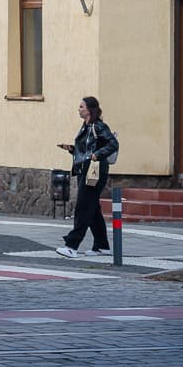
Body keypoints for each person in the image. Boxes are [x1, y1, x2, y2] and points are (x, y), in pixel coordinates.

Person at [55, 96, 119, 258]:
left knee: (83, 208)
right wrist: (71, 149)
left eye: (82, 106)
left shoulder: (98, 126)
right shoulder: (86, 126)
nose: (79, 109)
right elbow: (85, 149)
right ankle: (102, 245)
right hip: (86, 171)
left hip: (95, 173)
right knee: (93, 209)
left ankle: (72, 245)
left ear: (90, 109)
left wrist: (98, 154)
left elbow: (113, 144)